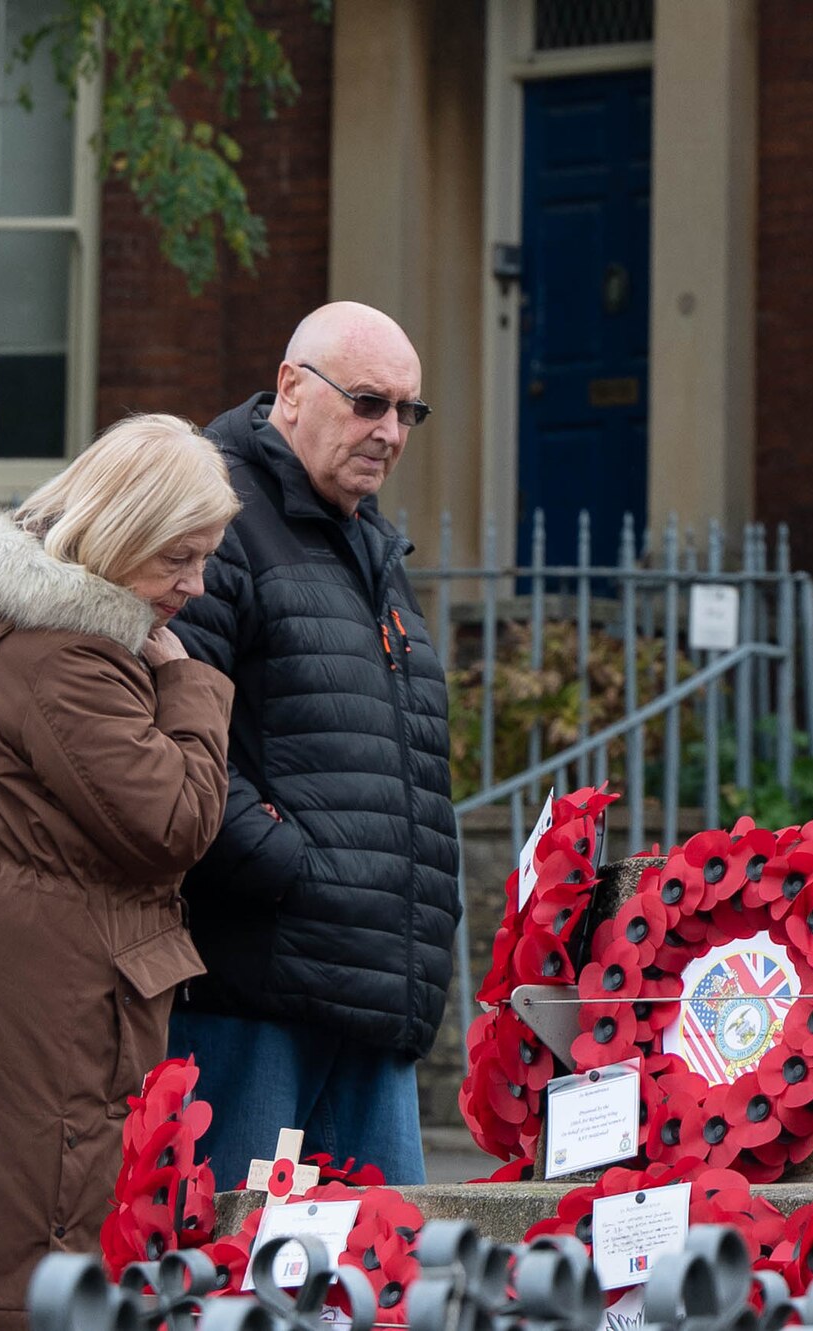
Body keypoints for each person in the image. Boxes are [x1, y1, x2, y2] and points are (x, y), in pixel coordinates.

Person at [0, 415, 238, 1329]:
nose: (195, 585)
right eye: (179, 557)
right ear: (121, 531)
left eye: (206, 557)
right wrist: (186, 686)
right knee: (27, 1262)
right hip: (52, 994)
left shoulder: (8, 617)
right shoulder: (71, 654)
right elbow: (176, 821)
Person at [168, 301, 459, 1185]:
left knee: (380, 1293)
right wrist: (299, 870)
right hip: (256, 999)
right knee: (228, 1282)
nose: (390, 431)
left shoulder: (367, 540)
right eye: (369, 401)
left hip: (373, 997)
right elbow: (171, 742)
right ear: (292, 388)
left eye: (407, 410)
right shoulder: (215, 515)